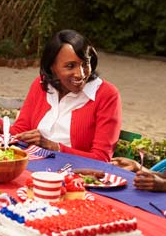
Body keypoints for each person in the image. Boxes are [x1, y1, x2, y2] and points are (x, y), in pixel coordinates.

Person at [6, 29, 121, 162]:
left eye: (85, 64)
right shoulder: (41, 84)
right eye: (70, 66)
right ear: (51, 67)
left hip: (75, 174)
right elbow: (21, 130)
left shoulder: (107, 95)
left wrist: (54, 147)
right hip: (32, 163)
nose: (81, 74)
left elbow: (101, 159)